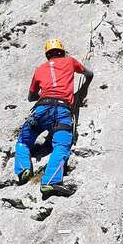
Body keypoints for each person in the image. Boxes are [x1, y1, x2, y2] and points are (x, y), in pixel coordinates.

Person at [14, 38, 94, 198]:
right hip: (62, 110)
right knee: (61, 146)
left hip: (41, 109)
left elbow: (31, 97)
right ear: (62, 51)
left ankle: (24, 169)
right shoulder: (70, 61)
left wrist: (44, 92)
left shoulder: (39, 69)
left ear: (47, 55)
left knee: (23, 141)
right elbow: (88, 73)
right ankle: (50, 181)